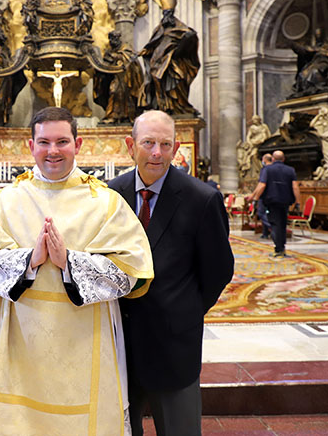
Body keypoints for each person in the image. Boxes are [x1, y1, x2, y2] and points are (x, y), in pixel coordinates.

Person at [0, 106, 154, 435]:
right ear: (30, 145)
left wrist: (71, 263)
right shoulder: (5, 201)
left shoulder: (105, 202)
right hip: (21, 341)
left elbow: (132, 272)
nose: (53, 151)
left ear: (78, 145)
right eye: (44, 142)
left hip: (86, 342)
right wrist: (28, 260)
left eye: (62, 141)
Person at [109, 110, 234, 435]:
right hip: (116, 342)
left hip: (174, 344)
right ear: (130, 145)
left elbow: (218, 270)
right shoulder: (110, 195)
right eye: (148, 142)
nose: (156, 153)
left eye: (165, 144)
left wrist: (184, 310)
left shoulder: (202, 199)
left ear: (176, 147)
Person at [138, 0, 200, 117]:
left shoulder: (181, 27)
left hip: (175, 61)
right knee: (157, 78)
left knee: (178, 80)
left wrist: (186, 40)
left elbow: (190, 37)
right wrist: (147, 50)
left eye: (169, 13)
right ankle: (164, 106)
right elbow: (153, 44)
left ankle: (180, 106)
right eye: (165, 13)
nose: (167, 15)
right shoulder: (160, 28)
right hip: (159, 62)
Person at [249, 150, 301, 258]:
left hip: (271, 201)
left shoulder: (267, 169)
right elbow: (295, 187)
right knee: (282, 224)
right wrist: (298, 202)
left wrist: (255, 199)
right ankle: (282, 248)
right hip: (285, 201)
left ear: (273, 159)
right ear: (283, 159)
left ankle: (278, 249)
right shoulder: (290, 170)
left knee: (275, 224)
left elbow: (262, 185)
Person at [246, 153, 273, 239]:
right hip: (273, 196)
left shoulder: (265, 170)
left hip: (264, 195)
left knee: (261, 213)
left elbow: (261, 184)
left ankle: (273, 228)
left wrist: (255, 197)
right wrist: (253, 194)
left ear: (264, 160)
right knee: (268, 214)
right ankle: (265, 233)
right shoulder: (274, 169)